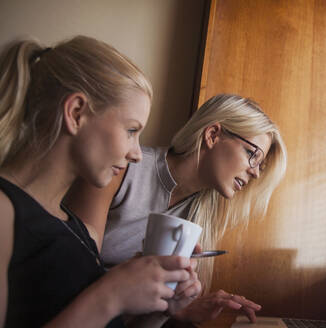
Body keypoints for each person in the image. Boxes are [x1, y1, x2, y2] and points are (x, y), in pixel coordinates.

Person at [0, 35, 201, 328]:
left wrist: (157, 308)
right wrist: (111, 293)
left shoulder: (83, 231)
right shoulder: (4, 211)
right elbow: (101, 305)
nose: (137, 154)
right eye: (131, 130)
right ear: (76, 112)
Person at [64, 93, 288, 324]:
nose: (256, 172)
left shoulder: (200, 216)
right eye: (252, 154)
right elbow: (70, 275)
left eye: (260, 165)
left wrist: (175, 309)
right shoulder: (120, 169)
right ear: (212, 135)